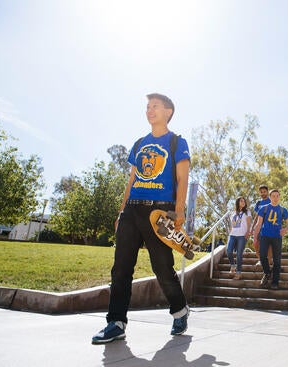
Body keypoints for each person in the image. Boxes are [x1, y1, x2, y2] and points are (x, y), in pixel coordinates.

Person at [92, 93, 191, 344]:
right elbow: (132, 180)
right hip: (132, 210)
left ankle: (179, 310)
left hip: (159, 213)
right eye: (147, 107)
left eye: (155, 106)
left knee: (162, 267)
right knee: (121, 268)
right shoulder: (139, 144)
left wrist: (179, 212)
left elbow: (183, 179)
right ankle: (116, 322)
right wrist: (121, 211)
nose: (149, 110)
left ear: (168, 111)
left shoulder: (177, 142)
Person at [252, 189, 288, 290]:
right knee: (262, 256)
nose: (275, 198)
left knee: (277, 260)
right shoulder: (263, 208)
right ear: (270, 197)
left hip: (277, 237)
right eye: (273, 196)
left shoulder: (283, 210)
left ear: (279, 197)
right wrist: (255, 237)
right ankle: (267, 273)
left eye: (277, 196)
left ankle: (275, 282)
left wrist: (285, 230)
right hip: (264, 235)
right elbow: (258, 224)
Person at [226, 197, 252, 280]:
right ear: (237, 202)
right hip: (232, 235)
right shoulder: (233, 213)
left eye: (244, 201)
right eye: (241, 201)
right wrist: (230, 233)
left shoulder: (247, 212)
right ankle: (233, 266)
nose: (243, 202)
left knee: (239, 254)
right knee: (229, 251)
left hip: (242, 235)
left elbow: (249, 223)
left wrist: (248, 232)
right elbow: (232, 225)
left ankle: (238, 273)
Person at [250, 185, 271, 266]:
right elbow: (256, 216)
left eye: (264, 192)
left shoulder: (271, 201)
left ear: (267, 192)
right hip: (259, 227)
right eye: (261, 192)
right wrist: (252, 228)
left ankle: (268, 262)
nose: (263, 193)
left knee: (269, 246)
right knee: (255, 243)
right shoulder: (258, 203)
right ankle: (260, 259)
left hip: (269, 227)